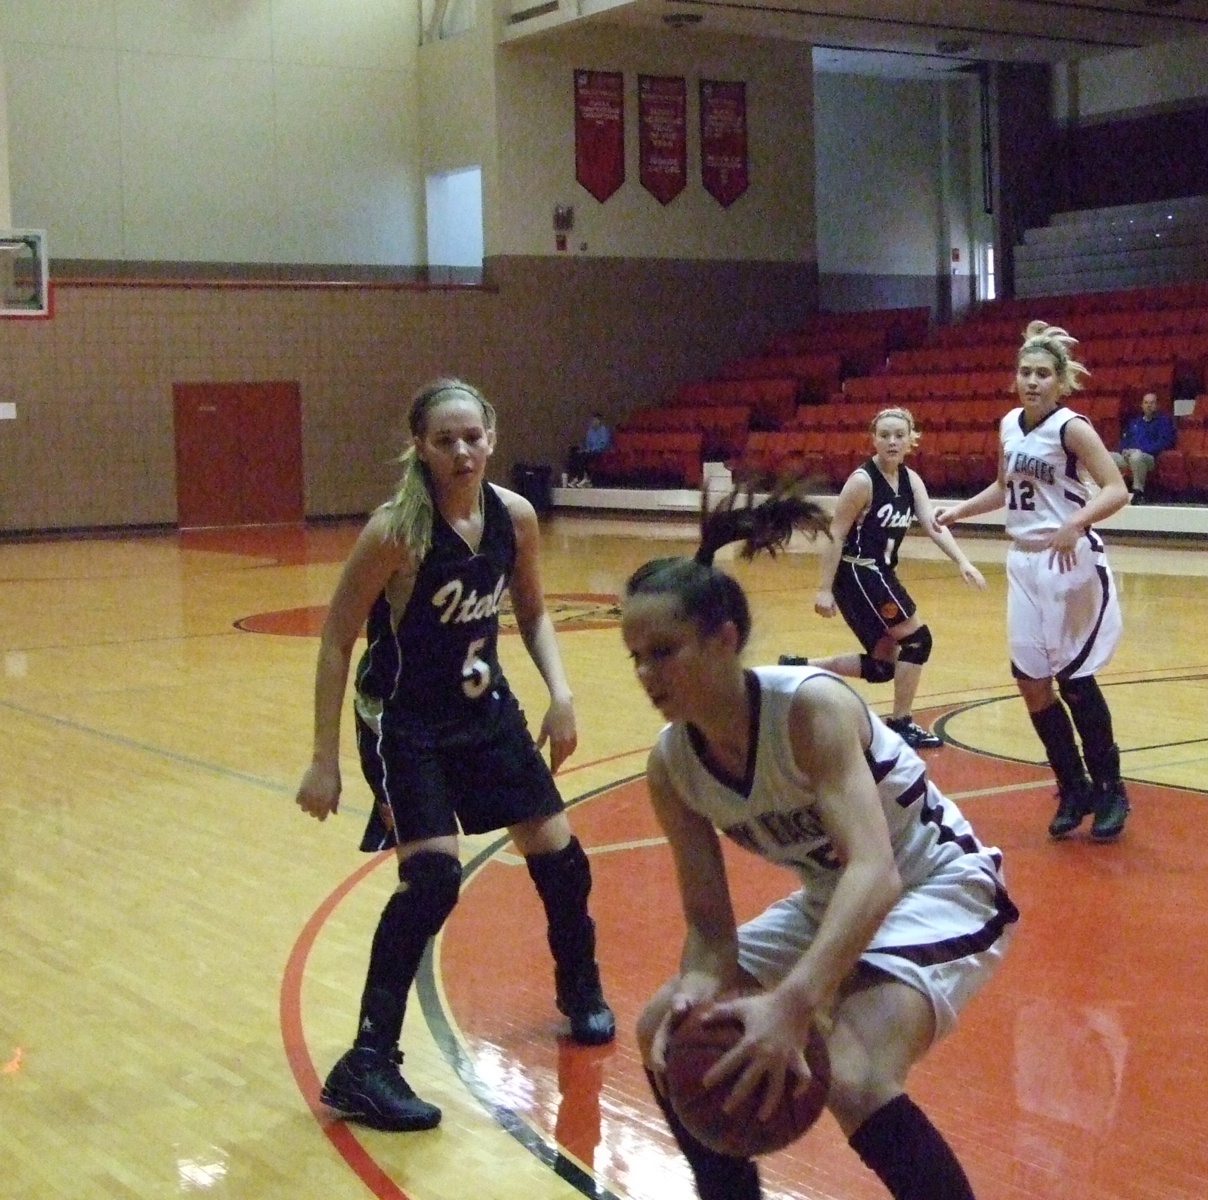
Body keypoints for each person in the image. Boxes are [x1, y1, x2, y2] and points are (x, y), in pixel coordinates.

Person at [623, 481, 1017, 1200]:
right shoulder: (671, 764)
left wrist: (795, 1001)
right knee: (663, 1031)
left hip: (938, 883)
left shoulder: (809, 708)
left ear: (724, 640)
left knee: (855, 1070)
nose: (647, 675)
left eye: (664, 652)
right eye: (636, 658)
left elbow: (876, 872)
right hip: (836, 896)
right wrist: (700, 986)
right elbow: (709, 928)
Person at [296, 378, 615, 1133]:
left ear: (491, 436)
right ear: (420, 446)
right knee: (433, 881)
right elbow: (337, 639)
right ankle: (367, 1062)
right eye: (445, 441)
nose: (463, 452)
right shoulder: (396, 531)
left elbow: (532, 612)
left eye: (473, 437)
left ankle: (579, 988)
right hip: (407, 725)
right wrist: (323, 758)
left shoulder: (515, 516)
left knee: (562, 859)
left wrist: (561, 692)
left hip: (486, 713)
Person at [932, 321, 1132, 842]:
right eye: (1025, 372)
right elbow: (1005, 488)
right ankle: (1073, 786)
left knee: (1075, 679)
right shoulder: (1008, 424)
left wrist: (1075, 522)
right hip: (1023, 561)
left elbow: (1117, 489)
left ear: (1060, 381)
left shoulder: (1072, 427)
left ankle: (1110, 789)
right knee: (1030, 680)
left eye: (1043, 373)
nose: (1032, 381)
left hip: (1068, 560)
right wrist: (960, 511)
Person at [776, 408, 986, 749]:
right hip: (859, 571)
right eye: (884, 435)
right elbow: (836, 533)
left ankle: (798, 667)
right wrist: (823, 589)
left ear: (911, 440)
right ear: (873, 439)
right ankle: (902, 722)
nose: (892, 441)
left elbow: (932, 523)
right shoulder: (863, 481)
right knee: (918, 641)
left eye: (899, 435)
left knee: (882, 666)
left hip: (879, 573)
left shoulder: (910, 479)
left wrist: (962, 560)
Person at [1109, 391, 1175, 503]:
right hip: (1129, 455)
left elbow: (1164, 442)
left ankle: (1138, 492)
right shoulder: (1135, 422)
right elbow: (1125, 439)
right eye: (1146, 403)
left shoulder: (1163, 422)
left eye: (1152, 403)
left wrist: (1140, 450)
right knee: (1108, 456)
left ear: (1157, 405)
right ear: (1142, 405)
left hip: (1150, 457)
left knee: (1136, 457)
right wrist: (1123, 450)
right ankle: (1111, 491)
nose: (1149, 405)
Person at [565, 411, 612, 486]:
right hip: (590, 451)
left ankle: (584, 478)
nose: (594, 422)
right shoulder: (590, 431)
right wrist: (586, 449)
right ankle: (577, 477)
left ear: (599, 421)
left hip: (599, 452)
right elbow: (588, 443)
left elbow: (603, 444)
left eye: (596, 420)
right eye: (593, 420)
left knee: (584, 457)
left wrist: (592, 449)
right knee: (576, 456)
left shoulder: (603, 430)